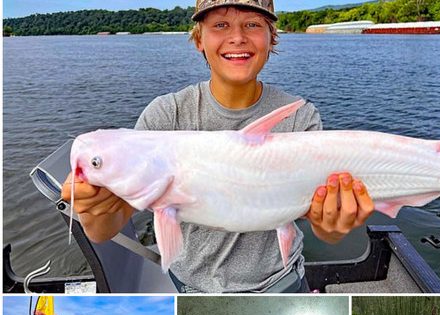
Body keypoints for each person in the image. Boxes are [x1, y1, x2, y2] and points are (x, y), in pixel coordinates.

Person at [61, 0, 374, 293]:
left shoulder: (299, 117)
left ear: (271, 38)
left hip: (283, 284)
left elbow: (326, 229)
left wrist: (336, 222)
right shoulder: (166, 116)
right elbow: (104, 230)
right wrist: (92, 210)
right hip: (192, 290)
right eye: (220, 26)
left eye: (252, 25)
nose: (237, 38)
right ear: (199, 39)